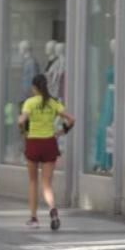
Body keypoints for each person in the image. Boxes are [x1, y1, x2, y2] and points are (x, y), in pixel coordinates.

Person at [18, 74, 75, 230]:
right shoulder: (53, 103)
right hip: (49, 143)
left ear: (34, 87)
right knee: (47, 184)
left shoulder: (30, 102)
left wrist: (23, 132)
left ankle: (34, 219)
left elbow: (21, 121)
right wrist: (61, 131)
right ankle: (53, 211)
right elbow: (71, 119)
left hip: (33, 143)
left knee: (32, 182)